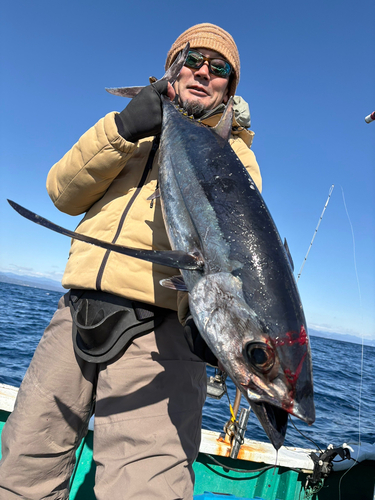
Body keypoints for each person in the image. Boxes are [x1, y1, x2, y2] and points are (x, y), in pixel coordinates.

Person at [0, 23, 262, 500]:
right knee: (25, 467)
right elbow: (61, 192)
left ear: (230, 86)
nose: (203, 71)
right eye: (192, 60)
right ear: (171, 69)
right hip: (73, 316)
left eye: (219, 67)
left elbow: (229, 251)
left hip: (159, 334)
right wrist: (120, 129)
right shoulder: (126, 127)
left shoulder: (236, 156)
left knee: (146, 487)